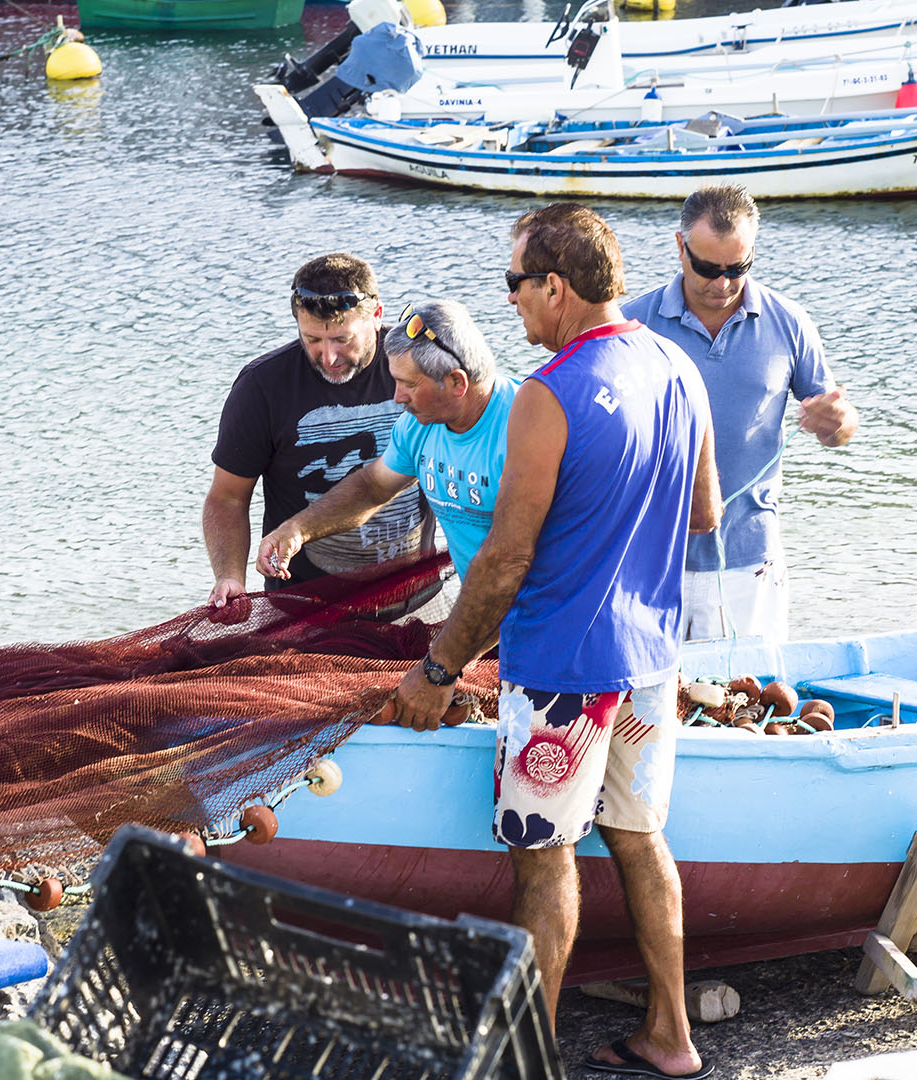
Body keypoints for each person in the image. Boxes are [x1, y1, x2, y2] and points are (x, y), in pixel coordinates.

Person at [391, 204, 721, 1079]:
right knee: (642, 840)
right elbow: (704, 514)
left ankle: (526, 1062)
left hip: (563, 668)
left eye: (514, 284)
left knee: (544, 855)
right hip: (651, 658)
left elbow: (502, 561)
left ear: (556, 286)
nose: (510, 306)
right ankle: (672, 1037)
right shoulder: (677, 366)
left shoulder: (549, 392)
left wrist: (437, 669)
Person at [620, 184, 860, 643]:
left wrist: (838, 423)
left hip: (751, 563)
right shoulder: (634, 325)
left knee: (751, 703)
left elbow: (840, 424)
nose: (723, 284)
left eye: (738, 268)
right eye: (708, 268)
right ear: (679, 246)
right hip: (647, 563)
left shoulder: (789, 322)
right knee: (646, 710)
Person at [204, 254, 432, 608]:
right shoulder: (262, 386)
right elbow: (227, 498)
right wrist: (230, 576)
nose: (328, 356)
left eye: (343, 339)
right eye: (312, 339)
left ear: (376, 316)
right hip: (303, 606)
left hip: (415, 597)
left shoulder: (419, 366)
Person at [256, 299, 518, 585]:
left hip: (539, 607)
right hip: (486, 602)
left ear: (457, 382)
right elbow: (371, 488)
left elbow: (513, 559)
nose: (398, 397)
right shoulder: (418, 425)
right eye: (395, 381)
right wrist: (296, 530)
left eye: (409, 384)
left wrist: (470, 630)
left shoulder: (522, 428)